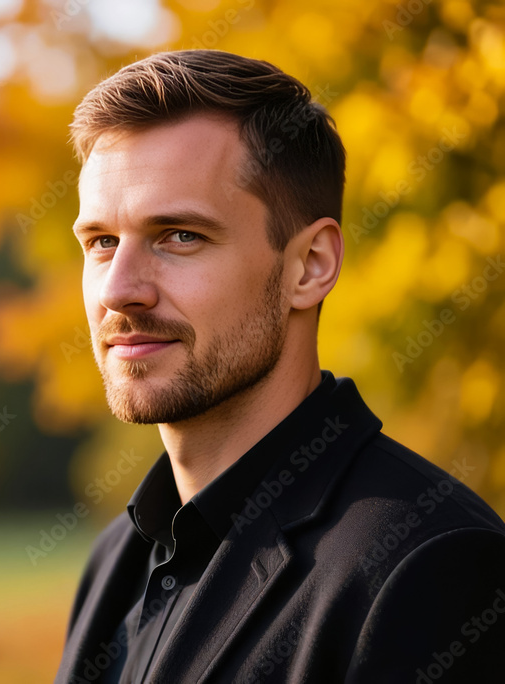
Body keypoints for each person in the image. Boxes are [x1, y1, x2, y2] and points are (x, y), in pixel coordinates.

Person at [54, 49, 505, 684]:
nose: (119, 289)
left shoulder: (431, 566)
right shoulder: (116, 564)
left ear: (310, 265)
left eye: (180, 235)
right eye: (101, 242)